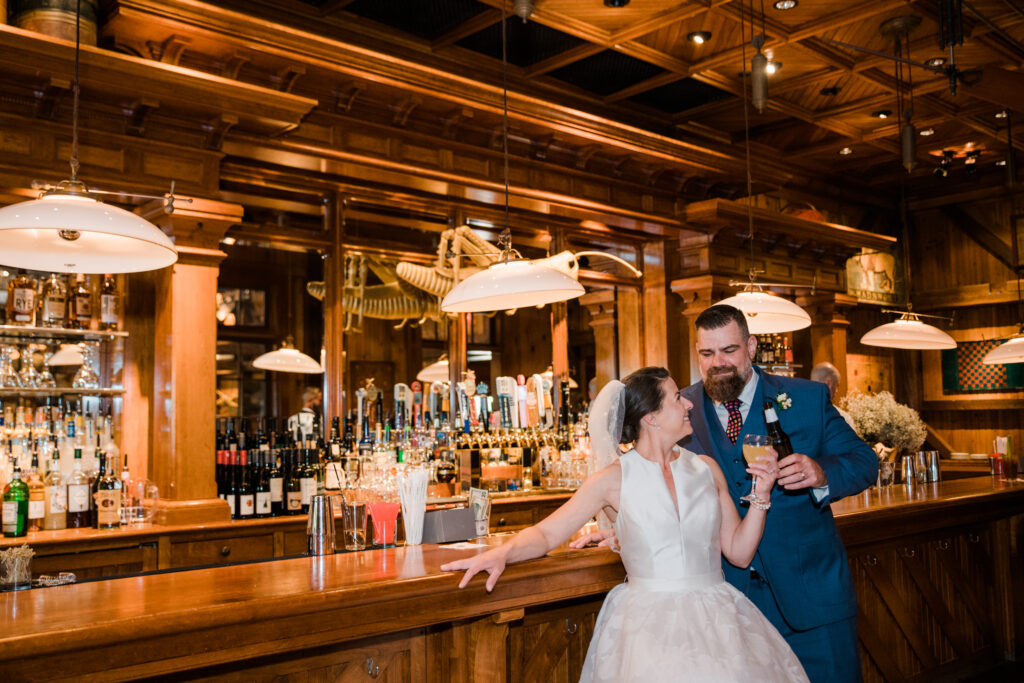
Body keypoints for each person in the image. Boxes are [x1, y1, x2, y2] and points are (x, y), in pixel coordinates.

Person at [442, 367, 808, 682]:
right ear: (650, 417)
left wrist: (761, 494)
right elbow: (547, 533)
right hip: (647, 630)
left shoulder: (707, 470)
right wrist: (501, 554)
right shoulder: (612, 480)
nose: (689, 404)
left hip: (720, 624)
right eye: (678, 397)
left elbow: (741, 554)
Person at [679, 305, 877, 682]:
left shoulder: (805, 398)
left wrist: (821, 473)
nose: (718, 362)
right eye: (707, 353)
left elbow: (864, 461)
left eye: (729, 351)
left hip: (813, 598)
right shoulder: (682, 409)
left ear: (751, 346)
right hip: (728, 605)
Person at [810, 362, 857, 430]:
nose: (837, 391)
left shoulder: (795, 414)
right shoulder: (843, 418)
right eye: (837, 385)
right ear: (828, 384)